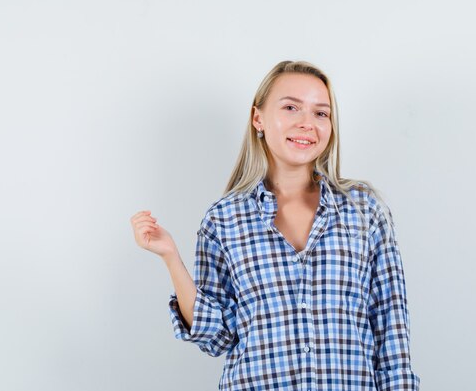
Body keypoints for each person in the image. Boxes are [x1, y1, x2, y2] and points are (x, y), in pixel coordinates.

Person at [130, 60, 420, 390]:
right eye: (291, 108)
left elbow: (391, 330)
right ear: (258, 118)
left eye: (320, 113)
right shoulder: (224, 219)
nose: (307, 123)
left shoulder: (364, 210)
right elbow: (216, 338)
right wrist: (170, 257)